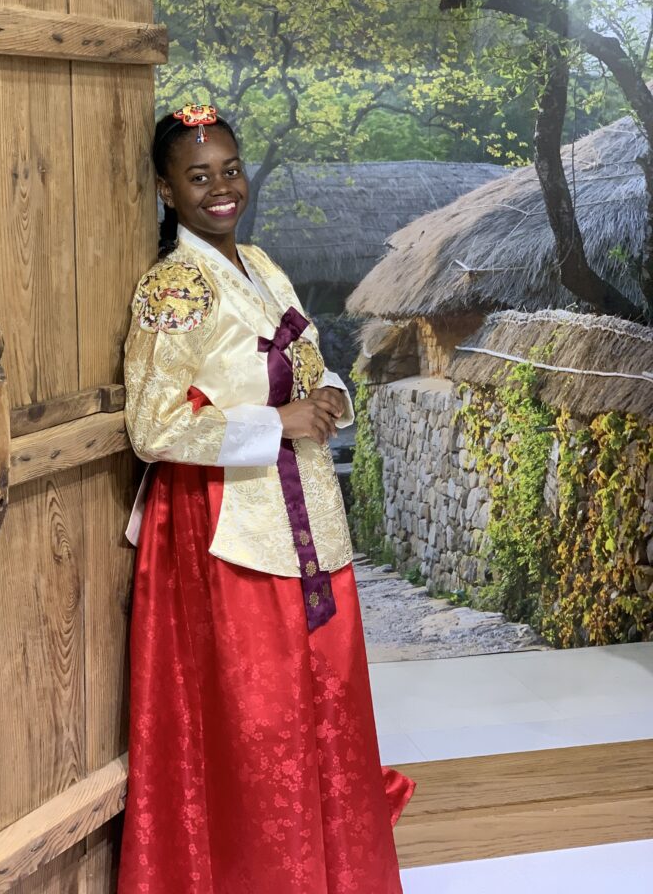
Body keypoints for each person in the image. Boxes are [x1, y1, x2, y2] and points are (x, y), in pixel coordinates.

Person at [116, 103, 415, 894]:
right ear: (165, 189)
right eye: (198, 176)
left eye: (231, 170)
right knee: (262, 722)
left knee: (328, 703)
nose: (222, 189)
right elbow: (151, 425)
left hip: (308, 514)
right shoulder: (171, 289)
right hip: (228, 529)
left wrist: (332, 400)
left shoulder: (263, 265)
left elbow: (313, 360)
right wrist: (276, 421)